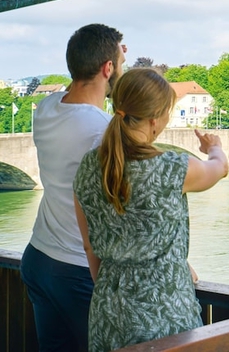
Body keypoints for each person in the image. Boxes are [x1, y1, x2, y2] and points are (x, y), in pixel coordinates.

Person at [73, 68, 229, 351]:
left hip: (108, 314)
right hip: (166, 315)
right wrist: (214, 147)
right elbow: (220, 169)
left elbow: (89, 246)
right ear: (155, 119)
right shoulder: (172, 169)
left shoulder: (88, 166)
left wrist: (112, 291)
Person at [20, 23, 126, 352]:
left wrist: (108, 58)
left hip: (39, 257)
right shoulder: (104, 131)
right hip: (77, 268)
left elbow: (78, 84)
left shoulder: (46, 108)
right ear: (107, 69)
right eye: (118, 64)